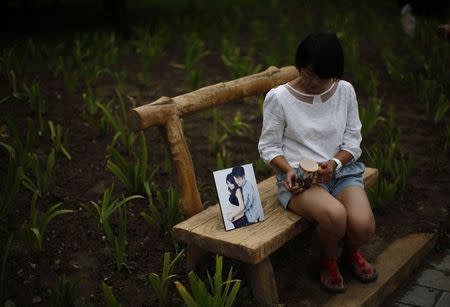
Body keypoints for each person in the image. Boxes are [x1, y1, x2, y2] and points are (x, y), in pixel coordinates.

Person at [258, 32, 377, 293]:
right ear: (299, 65)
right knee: (335, 216)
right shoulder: (279, 98)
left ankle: (350, 253)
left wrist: (334, 163)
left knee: (364, 226)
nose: (314, 82)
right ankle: (328, 260)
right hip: (301, 179)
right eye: (309, 74)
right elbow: (268, 146)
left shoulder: (344, 91)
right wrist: (288, 170)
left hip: (341, 171)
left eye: (323, 77)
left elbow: (353, 140)